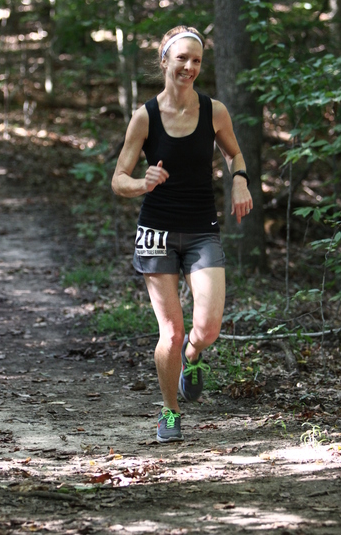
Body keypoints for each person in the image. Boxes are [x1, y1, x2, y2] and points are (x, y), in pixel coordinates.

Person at [111, 26, 253, 443]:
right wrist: (142, 183)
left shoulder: (214, 111)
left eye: (196, 61)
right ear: (164, 61)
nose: (189, 67)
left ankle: (193, 355)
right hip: (156, 232)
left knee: (207, 329)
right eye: (182, 59)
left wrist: (239, 180)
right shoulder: (145, 117)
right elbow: (118, 179)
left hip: (201, 230)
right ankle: (170, 411)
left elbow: (234, 153)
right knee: (170, 332)